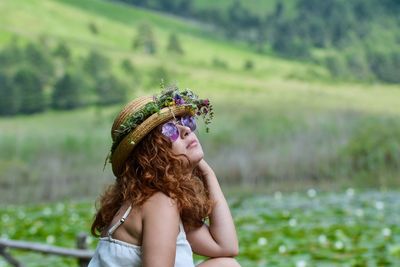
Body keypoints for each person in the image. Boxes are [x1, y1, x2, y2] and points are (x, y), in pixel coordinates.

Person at [88, 87, 240, 267]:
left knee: (224, 265)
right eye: (170, 129)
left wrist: (208, 173)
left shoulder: (157, 199)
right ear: (151, 153)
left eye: (185, 121)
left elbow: (225, 247)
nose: (185, 130)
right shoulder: (159, 203)